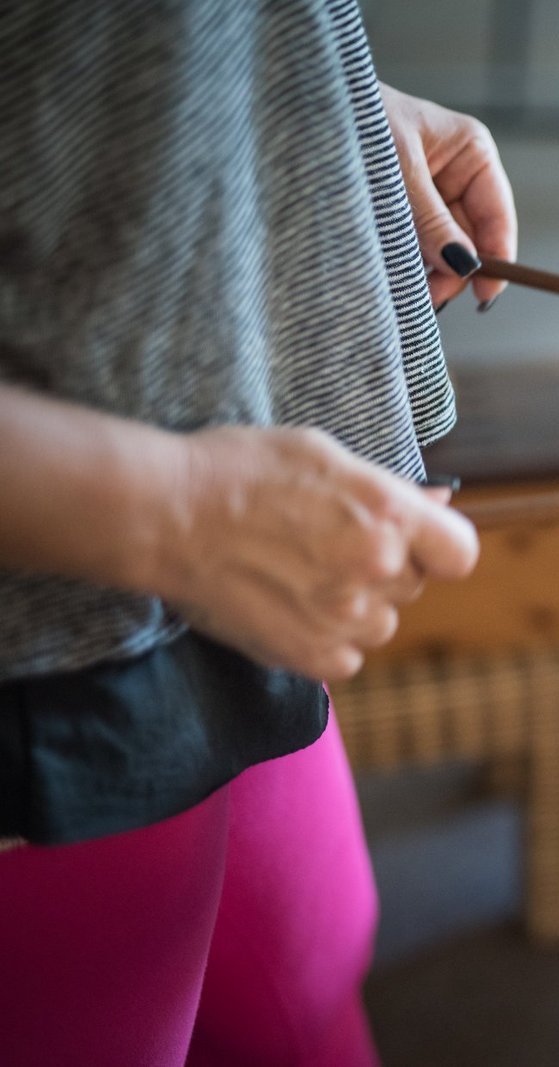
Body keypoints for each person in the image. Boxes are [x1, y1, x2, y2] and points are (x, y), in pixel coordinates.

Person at [0, 2, 518, 1063]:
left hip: (227, 533)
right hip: (57, 647)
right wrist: (178, 509)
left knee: (313, 973)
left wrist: (307, 105)